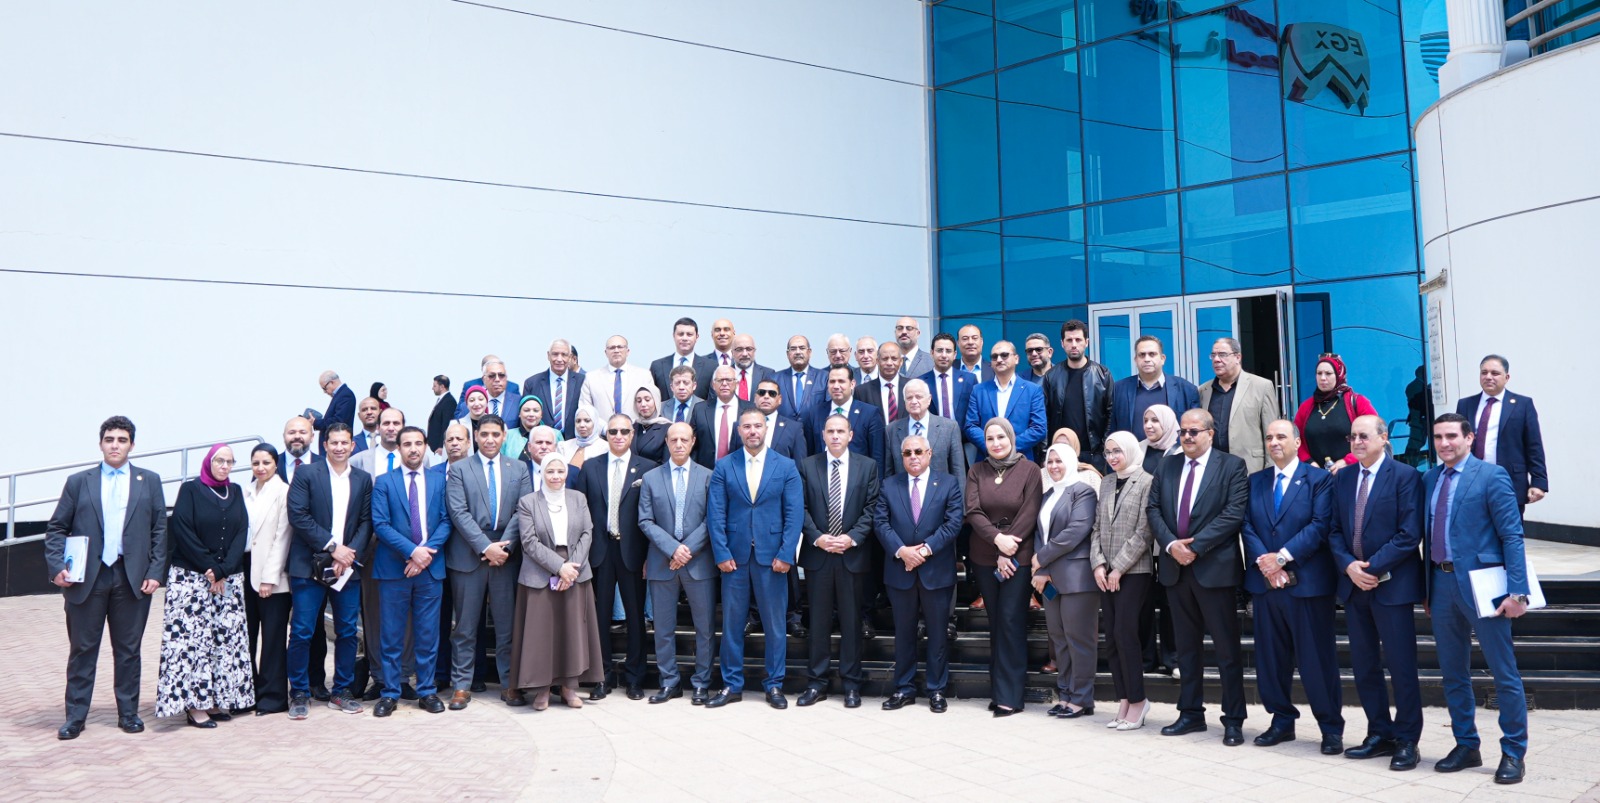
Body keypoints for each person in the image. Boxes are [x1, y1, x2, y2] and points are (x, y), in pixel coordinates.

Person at [1425, 413, 1531, 785]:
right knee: (1453, 672)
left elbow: (1512, 535)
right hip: (1441, 585)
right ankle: (1466, 745)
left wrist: (1518, 591)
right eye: (1438, 437)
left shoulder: (1491, 476)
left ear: (1469, 438)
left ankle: (1514, 752)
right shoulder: (1429, 478)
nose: (1444, 443)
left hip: (1485, 587)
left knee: (1503, 672)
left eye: (1452, 436)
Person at [46, 416, 168, 740]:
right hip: (87, 578)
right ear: (101, 443)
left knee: (128, 651)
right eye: (110, 439)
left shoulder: (149, 481)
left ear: (132, 445)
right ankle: (75, 717)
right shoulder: (78, 482)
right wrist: (57, 566)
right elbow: (57, 528)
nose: (115, 445)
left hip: (132, 579)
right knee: (82, 649)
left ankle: (128, 714)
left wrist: (156, 572)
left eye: (122, 440)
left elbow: (159, 530)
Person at [1327, 415, 1424, 770]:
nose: (1357, 442)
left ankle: (1407, 739)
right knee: (1365, 665)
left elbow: (1409, 533)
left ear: (1384, 438)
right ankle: (1379, 733)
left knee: (1401, 666)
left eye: (1364, 436)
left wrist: (1371, 567)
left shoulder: (1405, 476)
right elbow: (1333, 530)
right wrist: (1349, 566)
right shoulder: (1344, 478)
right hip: (1354, 587)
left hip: (1392, 586)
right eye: (1352, 436)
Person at [1241, 421, 1344, 754]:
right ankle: (1281, 721)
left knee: (1317, 661)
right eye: (1269, 437)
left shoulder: (1319, 480)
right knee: (1270, 660)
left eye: (1281, 436)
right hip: (1266, 585)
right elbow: (1247, 525)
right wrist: (1266, 563)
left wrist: (1282, 558)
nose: (1274, 442)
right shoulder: (1255, 481)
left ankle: (1330, 727)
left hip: (1308, 586)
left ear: (1298, 442)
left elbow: (1320, 525)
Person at [1148, 409, 1250, 745]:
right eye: (1183, 432)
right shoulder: (1167, 465)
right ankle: (1190, 713)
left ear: (1210, 433)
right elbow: (1153, 510)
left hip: (1214, 569)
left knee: (1226, 649)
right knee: (1186, 648)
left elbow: (1233, 514)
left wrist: (1196, 547)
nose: (1187, 437)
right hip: (1176, 570)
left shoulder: (1231, 466)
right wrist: (1171, 545)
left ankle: (1233, 719)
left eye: (1194, 431)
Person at [706, 409, 804, 709]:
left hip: (772, 558)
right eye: (746, 426)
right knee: (732, 625)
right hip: (734, 559)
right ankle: (731, 684)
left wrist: (786, 554)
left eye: (757, 426)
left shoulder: (785, 466)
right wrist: (721, 553)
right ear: (739, 430)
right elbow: (715, 513)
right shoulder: (724, 465)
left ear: (766, 429)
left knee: (775, 626)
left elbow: (794, 515)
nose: (752, 431)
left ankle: (774, 684)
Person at [156, 444, 255, 728]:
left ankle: (212, 700)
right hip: (191, 579)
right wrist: (210, 568)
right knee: (192, 643)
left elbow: (241, 531)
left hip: (228, 579)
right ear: (208, 462)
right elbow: (182, 529)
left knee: (223, 642)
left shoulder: (235, 491)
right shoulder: (191, 490)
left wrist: (224, 569)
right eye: (219, 460)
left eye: (229, 461)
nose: (224, 466)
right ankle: (194, 705)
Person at [444, 414, 532, 710]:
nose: (490, 439)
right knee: (465, 627)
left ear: (504, 436)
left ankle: (509, 684)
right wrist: (485, 547)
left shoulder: (518, 468)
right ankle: (461, 685)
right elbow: (458, 512)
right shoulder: (460, 469)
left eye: (495, 434)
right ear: (476, 437)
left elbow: (522, 511)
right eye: (484, 434)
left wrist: (503, 547)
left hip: (505, 556)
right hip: (468, 555)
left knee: (507, 627)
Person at [285, 423, 373, 719]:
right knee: (302, 631)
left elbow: (366, 522)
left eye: (344, 442)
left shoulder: (362, 479)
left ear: (352, 445)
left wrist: (347, 555)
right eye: (333, 442)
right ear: (324, 445)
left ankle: (341, 690)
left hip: (346, 568)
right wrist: (333, 547)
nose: (339, 447)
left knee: (347, 631)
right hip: (309, 565)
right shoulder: (307, 474)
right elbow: (298, 515)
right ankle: (299, 691)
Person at [874, 433, 964, 713]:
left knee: (937, 634)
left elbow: (953, 522)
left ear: (929, 454)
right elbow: (881, 522)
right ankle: (904, 688)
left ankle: (936, 690)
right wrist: (902, 551)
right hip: (900, 571)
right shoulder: (889, 485)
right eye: (907, 453)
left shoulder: (948, 483)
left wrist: (923, 551)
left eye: (918, 452)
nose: (913, 457)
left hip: (936, 571)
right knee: (904, 634)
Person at [796, 414, 881, 709]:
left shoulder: (867, 466)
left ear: (850, 435)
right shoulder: (807, 465)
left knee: (851, 623)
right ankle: (816, 683)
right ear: (823, 434)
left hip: (851, 554)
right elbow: (800, 507)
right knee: (818, 623)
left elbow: (872, 506)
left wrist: (852, 537)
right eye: (830, 431)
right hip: (819, 555)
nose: (835, 436)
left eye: (840, 431)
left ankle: (852, 684)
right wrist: (817, 537)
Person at [509, 456, 606, 710]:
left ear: (566, 473)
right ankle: (541, 689)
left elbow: (587, 533)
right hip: (540, 572)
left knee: (572, 632)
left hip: (575, 569)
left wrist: (570, 568)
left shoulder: (578, 498)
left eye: (560, 471)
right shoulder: (528, 502)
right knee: (541, 634)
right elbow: (529, 542)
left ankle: (569, 688)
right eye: (550, 471)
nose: (555, 476)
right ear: (542, 473)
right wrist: (559, 567)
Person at [370, 426, 452, 717]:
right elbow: (381, 524)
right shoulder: (384, 481)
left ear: (426, 446)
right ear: (399, 448)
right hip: (394, 570)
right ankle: (390, 692)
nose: (413, 449)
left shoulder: (438, 480)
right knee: (391, 635)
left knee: (428, 634)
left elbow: (446, 520)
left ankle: (427, 691)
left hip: (430, 569)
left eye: (418, 443)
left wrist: (425, 554)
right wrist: (412, 552)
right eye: (407, 444)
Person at [575, 414, 658, 700]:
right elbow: (581, 513)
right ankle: (602, 677)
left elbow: (652, 515)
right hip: (600, 551)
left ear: (632, 434)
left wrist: (649, 556)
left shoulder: (648, 468)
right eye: (613, 432)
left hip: (633, 551)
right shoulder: (591, 467)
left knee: (635, 618)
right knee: (599, 618)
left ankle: (635, 679)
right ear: (606, 435)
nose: (619, 436)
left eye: (624, 431)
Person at [966, 417, 1043, 717]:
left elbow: (1030, 511)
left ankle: (1011, 696)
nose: (996, 443)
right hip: (984, 557)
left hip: (1018, 557)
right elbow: (973, 511)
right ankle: (998, 690)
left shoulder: (1030, 470)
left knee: (1011, 621)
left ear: (1012, 438)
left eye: (1001, 437)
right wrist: (997, 540)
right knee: (996, 621)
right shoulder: (976, 470)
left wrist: (1007, 548)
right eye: (990, 438)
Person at [637, 423, 717, 704]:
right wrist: (673, 549)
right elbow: (645, 520)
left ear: (693, 441)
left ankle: (701, 683)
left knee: (704, 629)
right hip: (662, 562)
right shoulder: (651, 478)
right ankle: (669, 682)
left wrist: (687, 550)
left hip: (699, 563)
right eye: (674, 440)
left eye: (684, 439)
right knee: (663, 628)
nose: (679, 444)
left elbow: (712, 519)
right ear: (667, 443)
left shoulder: (708, 476)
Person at [1090, 431, 1156, 731]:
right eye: (1108, 452)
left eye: (1117, 451)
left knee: (1125, 633)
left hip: (1134, 571)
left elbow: (1145, 531)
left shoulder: (1147, 481)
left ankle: (1139, 700)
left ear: (1129, 450)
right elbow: (1096, 527)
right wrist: (1098, 564)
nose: (1112, 457)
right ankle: (1125, 698)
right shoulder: (1105, 482)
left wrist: (1118, 567)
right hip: (1105, 572)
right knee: (1112, 638)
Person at [1031, 442, 1099, 719]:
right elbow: (1040, 533)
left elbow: (1075, 531)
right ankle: (1066, 695)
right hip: (1050, 579)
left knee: (1078, 639)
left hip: (1077, 579)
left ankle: (1082, 698)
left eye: (1059, 461)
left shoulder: (1084, 492)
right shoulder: (1048, 494)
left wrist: (1041, 558)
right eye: (1050, 461)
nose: (1054, 466)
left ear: (1071, 462)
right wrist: (1041, 568)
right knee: (1058, 639)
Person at [1456, 354, 1548, 516]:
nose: (1488, 377)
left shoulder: (1522, 404)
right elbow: (1458, 442)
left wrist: (1539, 482)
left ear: (1507, 377)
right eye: (1484, 372)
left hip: (1509, 481)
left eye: (1495, 373)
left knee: (1509, 529)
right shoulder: (1465, 404)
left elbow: (1534, 445)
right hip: (1472, 481)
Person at [243, 444, 292, 716]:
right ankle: (246, 693)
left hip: (272, 576)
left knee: (272, 638)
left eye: (266, 462)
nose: (260, 468)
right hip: (245, 570)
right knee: (246, 636)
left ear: (276, 464)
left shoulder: (283, 492)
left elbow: (283, 537)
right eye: (256, 463)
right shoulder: (246, 491)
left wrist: (268, 578)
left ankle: (272, 698)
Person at [1199, 338, 1281, 473]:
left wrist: (1270, 471)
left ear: (1238, 357)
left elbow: (1272, 432)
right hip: (1213, 471)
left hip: (1251, 469)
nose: (1216, 359)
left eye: (1222, 354)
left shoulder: (1261, 386)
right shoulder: (1204, 390)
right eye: (1213, 355)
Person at [1041, 320, 1113, 470]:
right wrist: (1046, 453)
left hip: (1094, 455)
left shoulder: (1103, 374)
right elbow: (1045, 418)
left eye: (1078, 340)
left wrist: (1103, 451)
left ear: (1086, 342)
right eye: (1069, 340)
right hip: (1060, 454)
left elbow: (1111, 414)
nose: (1074, 345)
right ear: (1062, 343)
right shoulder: (1051, 377)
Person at [1293, 353, 1379, 473]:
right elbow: (1295, 440)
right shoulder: (1306, 407)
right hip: (1316, 477)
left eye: (1328, 373)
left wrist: (1347, 461)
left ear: (1339, 375)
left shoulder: (1357, 402)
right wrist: (1309, 463)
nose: (1323, 378)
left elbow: (1375, 434)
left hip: (1353, 473)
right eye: (1319, 373)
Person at [963, 341, 1048, 460]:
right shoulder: (979, 390)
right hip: (987, 461)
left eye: (1004, 355)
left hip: (1020, 459)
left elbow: (1039, 428)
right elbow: (970, 426)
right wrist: (992, 446)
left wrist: (1009, 447)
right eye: (994, 356)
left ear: (1016, 359)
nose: (999, 359)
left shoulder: (1032, 390)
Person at [801, 365, 885, 473]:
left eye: (841, 381)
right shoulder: (814, 413)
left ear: (852, 384)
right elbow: (810, 453)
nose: (836, 386)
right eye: (832, 381)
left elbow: (877, 457)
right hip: (823, 478)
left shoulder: (869, 413)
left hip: (858, 479)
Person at [1110, 336, 1200, 437]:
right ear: (1135, 360)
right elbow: (1111, 429)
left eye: (1152, 354)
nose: (1147, 359)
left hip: (1173, 448)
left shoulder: (1186, 390)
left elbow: (1195, 429)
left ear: (1162, 359)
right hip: (1131, 447)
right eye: (1142, 355)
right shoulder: (1118, 390)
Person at [885, 379, 964, 477]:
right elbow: (889, 473)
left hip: (940, 486)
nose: (914, 401)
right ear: (904, 401)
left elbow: (958, 469)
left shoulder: (949, 428)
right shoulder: (891, 430)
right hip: (904, 486)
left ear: (929, 399)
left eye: (918, 397)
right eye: (909, 398)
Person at [579, 335, 656, 423]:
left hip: (636, 429)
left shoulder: (644, 376)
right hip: (603, 430)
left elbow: (652, 408)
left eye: (620, 347)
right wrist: (604, 428)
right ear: (606, 352)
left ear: (627, 351)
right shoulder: (591, 378)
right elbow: (585, 410)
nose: (616, 350)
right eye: (612, 348)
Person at [690, 365, 755, 468]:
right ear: (713, 384)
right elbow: (691, 443)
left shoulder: (751, 409)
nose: (724, 384)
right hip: (706, 472)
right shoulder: (700, 409)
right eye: (720, 380)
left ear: (737, 384)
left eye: (729, 380)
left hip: (740, 470)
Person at [523, 340, 582, 439]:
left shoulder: (582, 382)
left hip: (574, 442)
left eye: (564, 355)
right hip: (542, 442)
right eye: (555, 354)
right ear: (548, 355)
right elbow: (525, 417)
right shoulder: (532, 383)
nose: (559, 359)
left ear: (570, 357)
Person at [650, 317, 719, 402]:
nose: (685, 338)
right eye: (680, 334)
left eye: (689, 334)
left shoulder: (710, 367)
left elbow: (713, 400)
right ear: (673, 336)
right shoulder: (657, 366)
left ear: (697, 337)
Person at [919, 331, 976, 424]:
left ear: (954, 355)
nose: (944, 355)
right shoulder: (920, 382)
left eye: (948, 351)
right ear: (932, 353)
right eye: (939, 350)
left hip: (963, 433)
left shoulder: (969, 380)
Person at [854, 341, 909, 426]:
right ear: (877, 361)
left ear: (901, 361)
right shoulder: (862, 392)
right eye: (885, 359)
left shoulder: (911, 386)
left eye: (894, 359)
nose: (889, 363)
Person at [754, 378, 808, 463]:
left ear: (779, 399)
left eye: (772, 393)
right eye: (761, 392)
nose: (766, 396)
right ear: (755, 398)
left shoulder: (794, 429)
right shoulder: (740, 425)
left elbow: (800, 465)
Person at [455, 354, 523, 418]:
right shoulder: (468, 406)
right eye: (492, 376)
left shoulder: (518, 402)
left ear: (506, 377)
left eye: (501, 375)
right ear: (484, 379)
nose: (497, 379)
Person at [776, 335, 826, 420]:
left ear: (809, 352)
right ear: (787, 354)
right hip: (784, 427)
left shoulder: (824, 377)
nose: (798, 352)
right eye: (793, 349)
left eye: (802, 348)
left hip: (815, 428)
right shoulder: (775, 379)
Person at [310, 370, 357, 452]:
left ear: (331, 382)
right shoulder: (341, 394)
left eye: (324, 388)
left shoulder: (345, 395)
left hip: (337, 447)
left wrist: (316, 422)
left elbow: (338, 422)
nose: (324, 392)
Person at [729, 333, 777, 403]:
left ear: (754, 351)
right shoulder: (722, 375)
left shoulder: (768, 374)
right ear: (732, 353)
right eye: (739, 349)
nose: (745, 354)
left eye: (749, 349)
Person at [277, 416, 322, 485]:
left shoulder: (325, 465)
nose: (297, 436)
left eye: (303, 432)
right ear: (284, 437)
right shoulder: (272, 464)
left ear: (312, 437)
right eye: (291, 433)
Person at [1139, 404, 1182, 476]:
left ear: (1168, 423)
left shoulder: (1180, 455)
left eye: (1155, 420)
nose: (1147, 426)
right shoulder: (1138, 448)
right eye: (1145, 421)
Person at [632, 386, 672, 463]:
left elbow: (666, 463)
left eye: (647, 400)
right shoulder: (632, 426)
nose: (643, 404)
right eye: (639, 401)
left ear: (656, 401)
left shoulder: (667, 428)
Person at [503, 395, 547, 464]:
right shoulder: (508, 435)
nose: (531, 414)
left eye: (536, 411)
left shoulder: (554, 434)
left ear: (541, 414)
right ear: (519, 414)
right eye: (526, 410)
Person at [427, 375, 456, 453]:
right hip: (434, 447)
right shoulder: (442, 399)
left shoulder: (449, 401)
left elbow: (446, 424)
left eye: (434, 386)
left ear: (442, 387)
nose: (432, 388)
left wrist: (441, 445)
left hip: (440, 448)